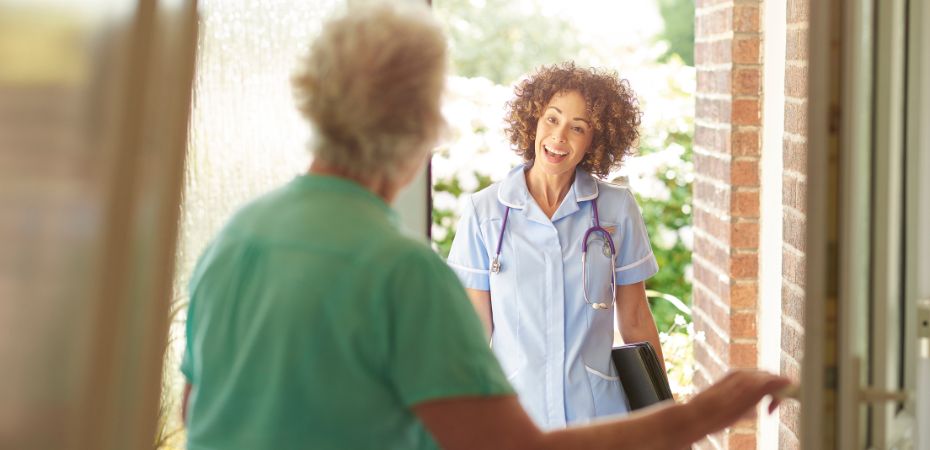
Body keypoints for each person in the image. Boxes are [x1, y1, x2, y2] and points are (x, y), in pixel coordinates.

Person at [180, 3, 791, 449]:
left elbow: (197, 407)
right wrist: (698, 415)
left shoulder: (237, 240)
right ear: (421, 126)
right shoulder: (402, 272)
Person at [447, 62, 665, 428]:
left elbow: (636, 317)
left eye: (578, 128)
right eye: (552, 119)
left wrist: (666, 416)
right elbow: (473, 330)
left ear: (595, 140)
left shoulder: (616, 208)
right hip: (516, 417)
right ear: (533, 119)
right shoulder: (485, 212)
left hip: (598, 414)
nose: (559, 137)